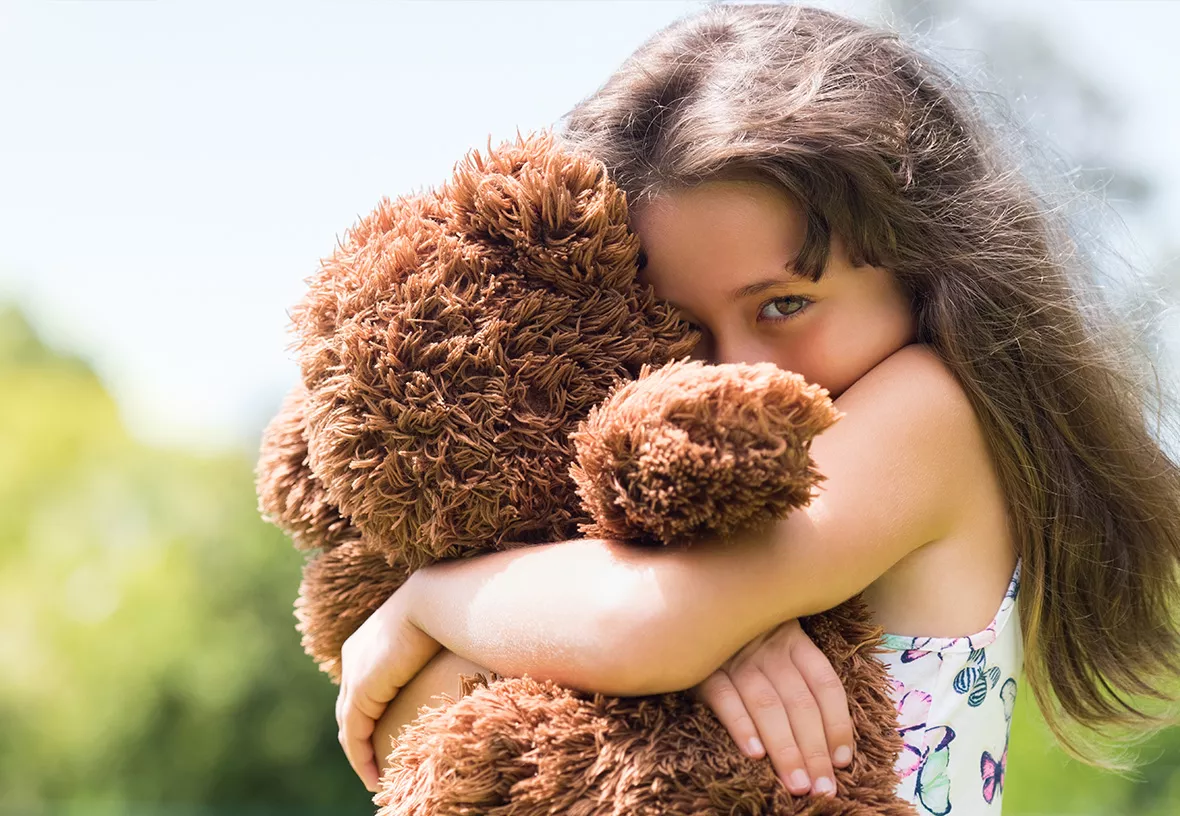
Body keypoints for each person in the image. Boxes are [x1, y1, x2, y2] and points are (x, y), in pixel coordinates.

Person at [333, 3, 1180, 813]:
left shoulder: (934, 414)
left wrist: (429, 602)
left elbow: (638, 627)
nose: (737, 370)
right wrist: (694, 653)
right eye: (682, 326)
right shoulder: (633, 532)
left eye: (783, 305)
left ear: (922, 266)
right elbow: (417, 728)